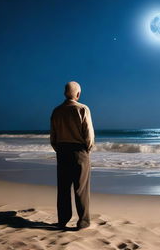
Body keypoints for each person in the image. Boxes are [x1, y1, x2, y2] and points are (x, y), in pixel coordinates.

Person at [50, 81, 94, 229]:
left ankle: (63, 220)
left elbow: (53, 136)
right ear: (78, 94)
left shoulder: (56, 111)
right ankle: (83, 222)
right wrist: (87, 149)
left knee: (63, 188)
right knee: (81, 188)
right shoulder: (82, 109)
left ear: (65, 93)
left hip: (62, 151)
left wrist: (59, 148)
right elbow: (88, 134)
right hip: (78, 151)